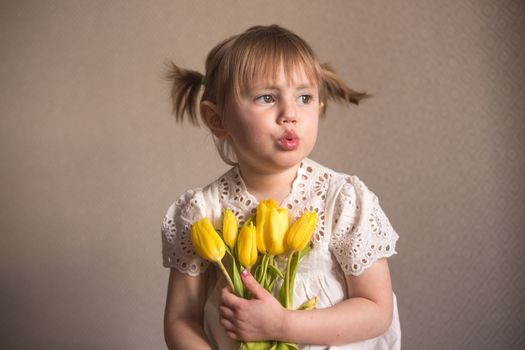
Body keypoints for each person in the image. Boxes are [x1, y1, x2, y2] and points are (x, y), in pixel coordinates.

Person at [161, 24, 401, 350]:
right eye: (267, 98)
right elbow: (181, 319)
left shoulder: (341, 200)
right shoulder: (202, 212)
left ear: (319, 107)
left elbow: (376, 310)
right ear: (218, 120)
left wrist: (283, 325)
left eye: (304, 97)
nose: (290, 114)